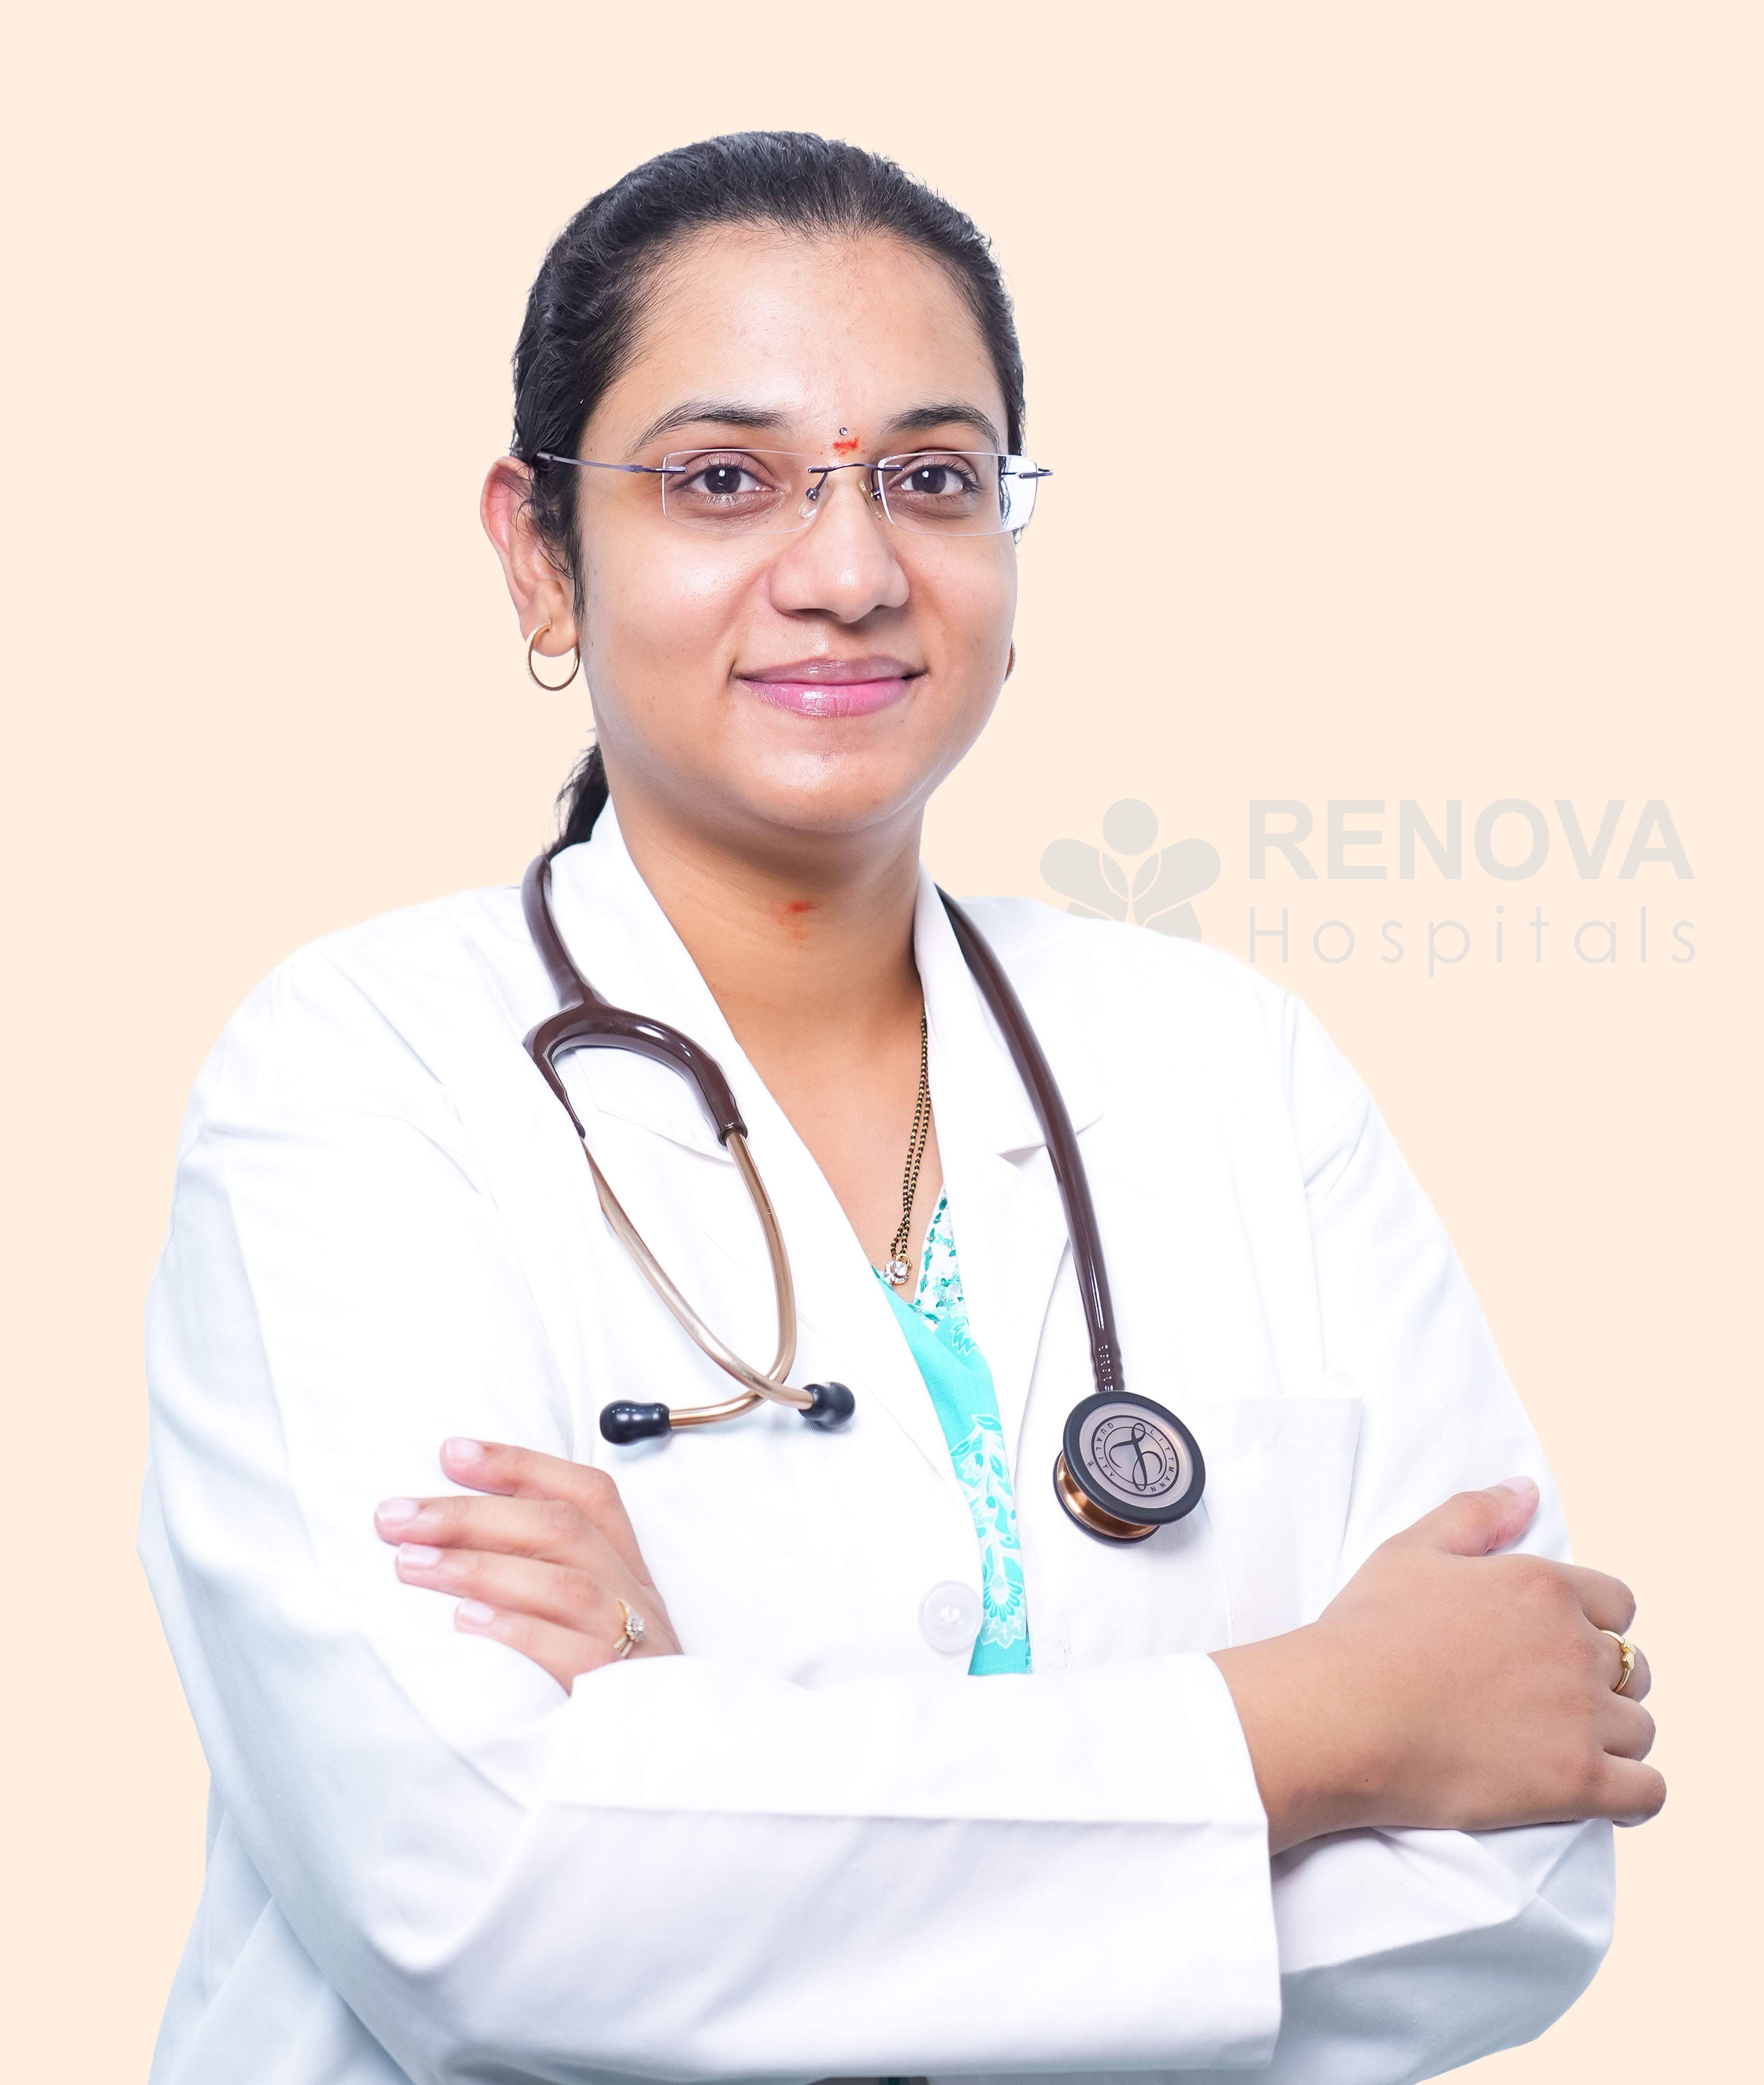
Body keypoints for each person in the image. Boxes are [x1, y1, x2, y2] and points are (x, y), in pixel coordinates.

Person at [140, 132, 1662, 2085]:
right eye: (722, 478)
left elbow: (1511, 1866)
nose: (850, 574)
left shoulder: (1237, 1072)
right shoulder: (355, 1079)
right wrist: (1323, 1725)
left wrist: (705, 1770)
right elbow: (490, 1899)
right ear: (539, 550)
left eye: (932, 479)